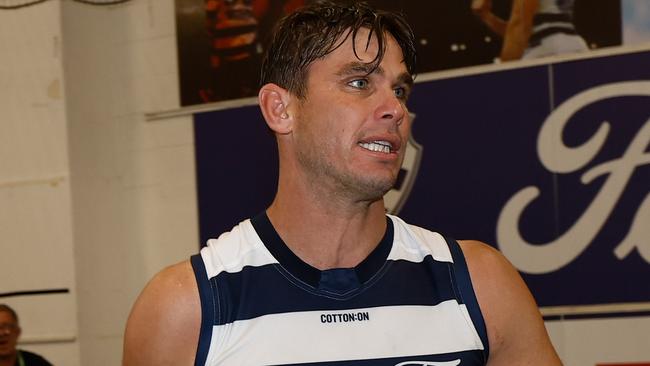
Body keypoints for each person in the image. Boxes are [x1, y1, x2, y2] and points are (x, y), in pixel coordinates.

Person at [123, 1, 562, 365]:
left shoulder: (481, 285)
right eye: (359, 82)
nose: (394, 108)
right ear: (280, 109)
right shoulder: (186, 309)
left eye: (400, 90)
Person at [472, 0, 588, 61]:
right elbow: (521, 33)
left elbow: (520, 27)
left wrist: (504, 70)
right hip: (574, 45)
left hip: (547, 49)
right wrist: (486, 16)